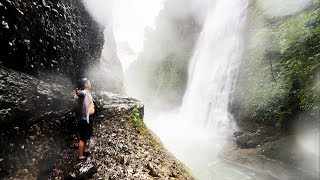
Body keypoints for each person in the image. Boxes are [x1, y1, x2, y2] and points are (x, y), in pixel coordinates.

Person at [76, 78, 95, 160]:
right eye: (89, 82)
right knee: (83, 138)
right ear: (85, 85)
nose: (90, 83)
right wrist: (81, 91)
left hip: (87, 119)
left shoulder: (87, 93)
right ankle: (80, 156)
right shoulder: (84, 93)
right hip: (84, 119)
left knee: (85, 137)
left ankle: (83, 152)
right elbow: (80, 93)